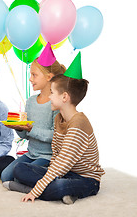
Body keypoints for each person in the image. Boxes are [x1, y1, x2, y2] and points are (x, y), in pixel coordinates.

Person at [9, 72, 105, 205]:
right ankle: (64, 193)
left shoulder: (78, 123)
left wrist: (35, 191)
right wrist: (50, 176)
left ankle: (26, 189)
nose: (49, 97)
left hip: (86, 179)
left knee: (59, 186)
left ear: (64, 96)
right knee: (19, 168)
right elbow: (56, 155)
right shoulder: (58, 118)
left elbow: (62, 162)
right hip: (64, 173)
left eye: (52, 93)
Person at [1, 57, 66, 184]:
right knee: (5, 176)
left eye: (34, 75)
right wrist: (19, 127)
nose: (30, 79)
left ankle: (54, 178)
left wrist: (32, 129)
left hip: (48, 157)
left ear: (48, 77)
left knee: (19, 176)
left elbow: (56, 136)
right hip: (31, 154)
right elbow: (25, 135)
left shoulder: (55, 103)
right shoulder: (31, 101)